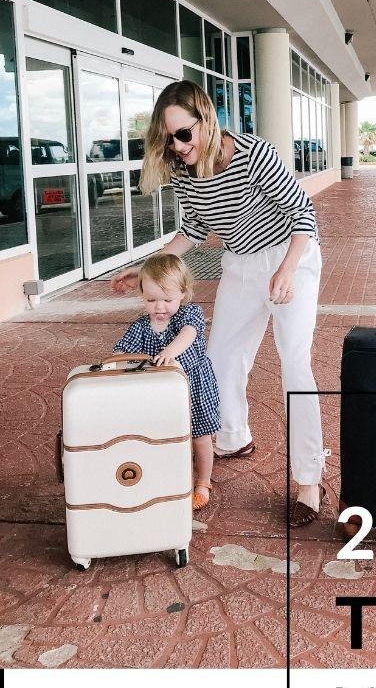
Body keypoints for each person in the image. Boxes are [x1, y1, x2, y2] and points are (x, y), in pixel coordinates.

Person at [111, 81, 327, 527]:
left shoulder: (254, 155)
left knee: (294, 364)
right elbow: (193, 228)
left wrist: (286, 270)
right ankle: (234, 436)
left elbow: (303, 213)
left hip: (292, 256)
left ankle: (310, 478)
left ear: (206, 119)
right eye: (168, 140)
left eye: (184, 135)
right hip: (240, 263)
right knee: (219, 358)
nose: (178, 146)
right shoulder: (185, 172)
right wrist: (149, 267)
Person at [114, 253, 220, 512]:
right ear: (142, 295)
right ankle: (171, 479)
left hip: (193, 388)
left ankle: (203, 482)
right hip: (159, 393)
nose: (159, 307)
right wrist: (118, 362)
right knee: (165, 437)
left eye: (167, 299)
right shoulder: (140, 326)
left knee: (200, 437)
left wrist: (170, 352)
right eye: (151, 300)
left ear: (183, 293)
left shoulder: (189, 314)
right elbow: (121, 353)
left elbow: (189, 334)